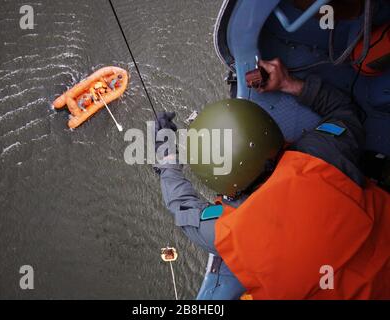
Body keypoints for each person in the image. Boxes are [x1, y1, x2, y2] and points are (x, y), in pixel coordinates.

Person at [153, 58, 390, 300]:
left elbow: (182, 207)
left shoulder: (227, 231)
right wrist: (288, 83)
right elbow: (344, 111)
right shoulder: (322, 152)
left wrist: (166, 155)